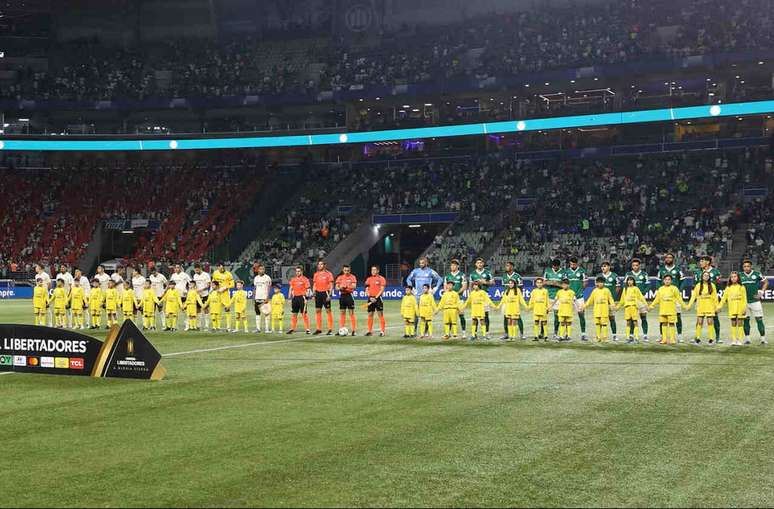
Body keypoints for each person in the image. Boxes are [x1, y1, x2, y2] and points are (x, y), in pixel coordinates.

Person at [407, 257, 443, 334]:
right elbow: (408, 279)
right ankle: (414, 331)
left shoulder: (430, 272)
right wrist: (412, 288)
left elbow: (440, 279)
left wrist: (435, 288)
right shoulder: (415, 271)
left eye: (423, 263)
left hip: (427, 296)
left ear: (426, 263)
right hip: (417, 296)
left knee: (427, 314)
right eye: (420, 263)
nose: (421, 264)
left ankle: (425, 332)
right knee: (415, 314)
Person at [683, 271, 718, 345]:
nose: (706, 276)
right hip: (700, 306)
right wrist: (689, 305)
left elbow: (715, 297)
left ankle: (711, 339)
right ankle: (698, 338)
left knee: (710, 322)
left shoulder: (712, 285)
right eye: (704, 275)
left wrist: (717, 307)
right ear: (702, 277)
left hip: (709, 306)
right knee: (699, 322)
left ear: (709, 277)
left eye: (707, 275)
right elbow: (693, 297)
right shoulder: (698, 285)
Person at [694, 255, 722, 341]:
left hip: (712, 300)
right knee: (699, 318)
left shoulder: (716, 272)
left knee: (714, 318)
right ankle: (697, 337)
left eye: (702, 261)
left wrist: (718, 301)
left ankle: (717, 337)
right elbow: (695, 286)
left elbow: (719, 286)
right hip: (701, 299)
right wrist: (696, 300)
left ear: (708, 262)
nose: (700, 263)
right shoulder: (697, 272)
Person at [717, 271, 748, 346]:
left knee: (740, 323)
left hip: (740, 308)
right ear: (730, 279)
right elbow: (723, 298)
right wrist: (719, 306)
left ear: (738, 278)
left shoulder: (742, 287)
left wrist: (744, 308)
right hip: (732, 308)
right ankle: (734, 339)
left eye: (735, 276)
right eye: (732, 277)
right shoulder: (728, 288)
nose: (733, 278)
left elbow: (744, 299)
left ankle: (740, 340)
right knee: (733, 323)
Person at [658, 253, 685, 342]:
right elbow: (658, 282)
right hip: (664, 298)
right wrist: (660, 292)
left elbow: (683, 281)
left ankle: (679, 335)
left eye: (670, 257)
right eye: (667, 258)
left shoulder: (678, 269)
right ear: (665, 259)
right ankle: (662, 335)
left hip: (675, 298)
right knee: (663, 316)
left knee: (678, 315)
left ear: (673, 259)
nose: (668, 259)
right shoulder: (661, 270)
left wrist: (678, 290)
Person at [740, 260, 768, 345]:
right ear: (743, 267)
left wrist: (762, 292)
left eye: (748, 266)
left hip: (755, 301)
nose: (746, 268)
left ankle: (763, 339)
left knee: (759, 320)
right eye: (745, 266)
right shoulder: (740, 275)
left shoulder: (757, 274)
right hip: (744, 302)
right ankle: (747, 339)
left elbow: (766, 282)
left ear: (751, 266)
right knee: (746, 321)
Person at [649, 274, 681, 345]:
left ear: (671, 281)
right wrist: (651, 306)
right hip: (663, 310)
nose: (667, 281)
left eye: (669, 279)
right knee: (664, 324)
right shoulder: (661, 289)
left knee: (672, 324)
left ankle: (672, 339)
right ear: (663, 281)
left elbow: (679, 298)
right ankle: (664, 339)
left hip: (671, 310)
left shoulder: (674, 288)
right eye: (666, 279)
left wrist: (685, 306)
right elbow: (657, 299)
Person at [624, 258, 651, 342]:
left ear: (639, 266)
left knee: (643, 317)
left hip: (640, 300)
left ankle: (645, 335)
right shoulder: (628, 274)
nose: (635, 267)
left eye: (636, 265)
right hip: (631, 301)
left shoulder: (644, 274)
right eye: (633, 265)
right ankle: (631, 335)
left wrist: (642, 293)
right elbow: (624, 286)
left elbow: (648, 286)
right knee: (632, 319)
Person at [584, 277, 616, 342]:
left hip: (604, 311)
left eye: (601, 282)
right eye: (599, 282)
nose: (600, 284)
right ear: (597, 283)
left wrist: (613, 305)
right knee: (597, 324)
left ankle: (605, 337)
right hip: (597, 310)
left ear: (604, 283)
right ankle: (598, 337)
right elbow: (590, 300)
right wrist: (584, 306)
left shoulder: (607, 290)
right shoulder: (594, 291)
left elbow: (610, 298)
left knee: (604, 324)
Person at [469, 258, 495, 335]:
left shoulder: (487, 273)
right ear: (475, 264)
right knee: (475, 316)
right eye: (478, 263)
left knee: (486, 315)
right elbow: (470, 285)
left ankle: (486, 332)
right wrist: (471, 295)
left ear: (483, 264)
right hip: (475, 297)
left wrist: (485, 282)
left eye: (481, 263)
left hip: (484, 296)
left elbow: (493, 282)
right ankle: (475, 333)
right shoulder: (472, 274)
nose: (479, 264)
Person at [619, 276, 648, 343]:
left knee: (635, 322)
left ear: (633, 281)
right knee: (628, 322)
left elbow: (641, 297)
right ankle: (628, 338)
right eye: (628, 280)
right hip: (627, 308)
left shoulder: (636, 288)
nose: (629, 281)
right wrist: (617, 307)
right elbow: (622, 300)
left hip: (634, 307)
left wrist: (646, 304)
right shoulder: (625, 289)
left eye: (631, 280)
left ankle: (636, 338)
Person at [565, 257, 588, 341]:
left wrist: (581, 291)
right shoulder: (567, 272)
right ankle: (567, 334)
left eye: (574, 264)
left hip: (579, 297)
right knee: (567, 316)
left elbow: (585, 282)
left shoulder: (582, 271)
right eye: (571, 264)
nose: (572, 265)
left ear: (577, 264)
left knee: (581, 315)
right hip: (569, 298)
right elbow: (564, 283)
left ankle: (583, 334)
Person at [444, 259, 468, 338]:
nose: (453, 266)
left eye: (454, 265)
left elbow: (464, 287)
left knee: (461, 315)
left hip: (459, 298)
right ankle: (448, 333)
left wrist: (455, 294)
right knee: (450, 317)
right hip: (450, 300)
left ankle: (464, 333)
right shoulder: (447, 276)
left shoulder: (462, 275)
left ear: (458, 266)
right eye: (452, 265)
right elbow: (445, 288)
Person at [500, 261, 523, 340]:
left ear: (512, 267)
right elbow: (504, 288)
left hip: (515, 300)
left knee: (517, 317)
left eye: (508, 266)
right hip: (507, 300)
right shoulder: (504, 276)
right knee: (506, 317)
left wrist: (518, 298)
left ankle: (521, 333)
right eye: (506, 266)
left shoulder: (517, 276)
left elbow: (521, 288)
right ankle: (507, 333)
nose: (506, 267)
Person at [598, 261, 620, 341]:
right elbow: (596, 288)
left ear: (609, 267)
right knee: (600, 319)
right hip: (601, 302)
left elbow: (618, 287)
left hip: (610, 302)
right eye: (602, 266)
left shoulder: (614, 276)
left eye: (605, 266)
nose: (603, 268)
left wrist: (613, 298)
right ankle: (599, 335)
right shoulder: (599, 276)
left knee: (612, 318)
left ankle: (614, 335)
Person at [543, 259, 565, 339]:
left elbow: (565, 284)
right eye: (553, 266)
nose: (554, 268)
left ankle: (555, 332)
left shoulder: (563, 272)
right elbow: (543, 282)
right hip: (548, 295)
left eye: (556, 267)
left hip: (558, 297)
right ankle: (543, 332)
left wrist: (557, 284)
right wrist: (551, 282)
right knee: (544, 314)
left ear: (559, 266)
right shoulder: (547, 271)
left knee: (556, 315)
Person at [312, 260, 335, 335]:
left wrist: (330, 294)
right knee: (318, 311)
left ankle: (330, 329)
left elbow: (331, 285)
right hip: (318, 293)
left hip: (325, 293)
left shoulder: (328, 274)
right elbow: (314, 284)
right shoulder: (316, 274)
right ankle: (318, 329)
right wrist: (313, 293)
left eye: (321, 264)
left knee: (328, 311)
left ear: (324, 265)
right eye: (318, 264)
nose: (319, 266)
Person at [287, 266, 311, 335]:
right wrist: (289, 298)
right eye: (296, 271)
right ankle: (292, 328)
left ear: (301, 272)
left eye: (299, 271)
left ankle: (307, 329)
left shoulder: (305, 279)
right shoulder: (293, 279)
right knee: (294, 314)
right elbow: (291, 288)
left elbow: (308, 289)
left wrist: (306, 298)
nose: (297, 272)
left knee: (304, 314)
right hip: (295, 298)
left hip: (302, 298)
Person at [364, 265, 387, 337]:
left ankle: (382, 331)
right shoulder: (369, 279)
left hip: (378, 299)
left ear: (378, 271)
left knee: (380, 314)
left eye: (374, 270)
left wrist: (376, 298)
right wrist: (370, 297)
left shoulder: (381, 279)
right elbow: (366, 289)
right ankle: (369, 331)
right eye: (372, 270)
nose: (372, 271)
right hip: (370, 298)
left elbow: (382, 290)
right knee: (370, 314)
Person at [335, 265, 357, 336]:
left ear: (350, 270)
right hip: (342, 296)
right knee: (342, 313)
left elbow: (354, 286)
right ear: (343, 270)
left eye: (348, 270)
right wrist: (340, 288)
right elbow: (336, 287)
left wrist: (346, 287)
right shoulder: (340, 277)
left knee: (351, 313)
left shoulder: (352, 277)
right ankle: (341, 329)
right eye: (345, 270)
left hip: (349, 296)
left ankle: (353, 330)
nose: (346, 272)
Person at [212, 263, 235, 331]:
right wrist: (213, 289)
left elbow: (233, 284)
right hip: (217, 293)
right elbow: (213, 282)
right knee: (217, 310)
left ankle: (228, 327)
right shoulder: (215, 273)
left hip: (225, 294)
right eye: (219, 268)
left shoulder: (228, 274)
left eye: (222, 268)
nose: (221, 269)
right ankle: (216, 327)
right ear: (218, 267)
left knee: (227, 309)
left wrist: (225, 287)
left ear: (224, 267)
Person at [252, 263, 272, 333]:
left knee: (267, 313)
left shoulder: (267, 278)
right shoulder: (256, 278)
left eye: (263, 269)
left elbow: (269, 288)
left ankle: (267, 329)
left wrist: (267, 297)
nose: (262, 270)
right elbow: (255, 288)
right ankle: (258, 329)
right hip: (257, 298)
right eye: (260, 269)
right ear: (258, 270)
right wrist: (253, 297)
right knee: (257, 313)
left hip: (264, 298)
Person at [193, 263, 211, 330]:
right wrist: (196, 291)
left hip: (205, 294)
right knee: (198, 309)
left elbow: (208, 285)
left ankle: (206, 324)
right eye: (195, 270)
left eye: (197, 270)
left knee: (205, 309)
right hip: (198, 295)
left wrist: (201, 290)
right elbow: (194, 285)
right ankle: (199, 324)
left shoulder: (206, 275)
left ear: (200, 268)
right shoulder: (195, 275)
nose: (196, 271)